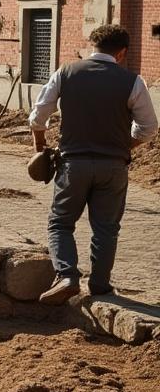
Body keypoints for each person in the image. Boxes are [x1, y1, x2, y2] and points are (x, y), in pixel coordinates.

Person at [31, 25, 158, 304]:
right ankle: (100, 286)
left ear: (93, 45)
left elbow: (38, 116)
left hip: (73, 164)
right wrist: (124, 146)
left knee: (61, 222)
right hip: (113, 167)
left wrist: (40, 147)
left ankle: (67, 276)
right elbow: (149, 128)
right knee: (106, 228)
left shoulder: (66, 73)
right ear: (122, 53)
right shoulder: (133, 82)